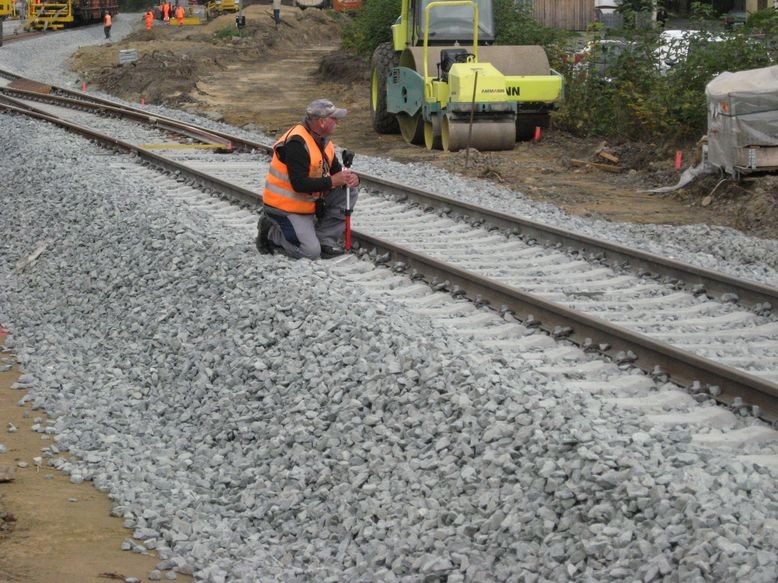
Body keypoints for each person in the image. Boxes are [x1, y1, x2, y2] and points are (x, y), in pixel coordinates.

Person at [256, 98, 359, 260]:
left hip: (306, 204)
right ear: (322, 122)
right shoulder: (296, 143)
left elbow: (337, 172)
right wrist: (333, 181)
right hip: (284, 207)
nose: (337, 123)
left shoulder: (324, 141)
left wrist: (352, 179)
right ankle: (271, 233)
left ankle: (324, 240)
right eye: (334, 119)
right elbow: (299, 184)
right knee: (310, 253)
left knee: (349, 190)